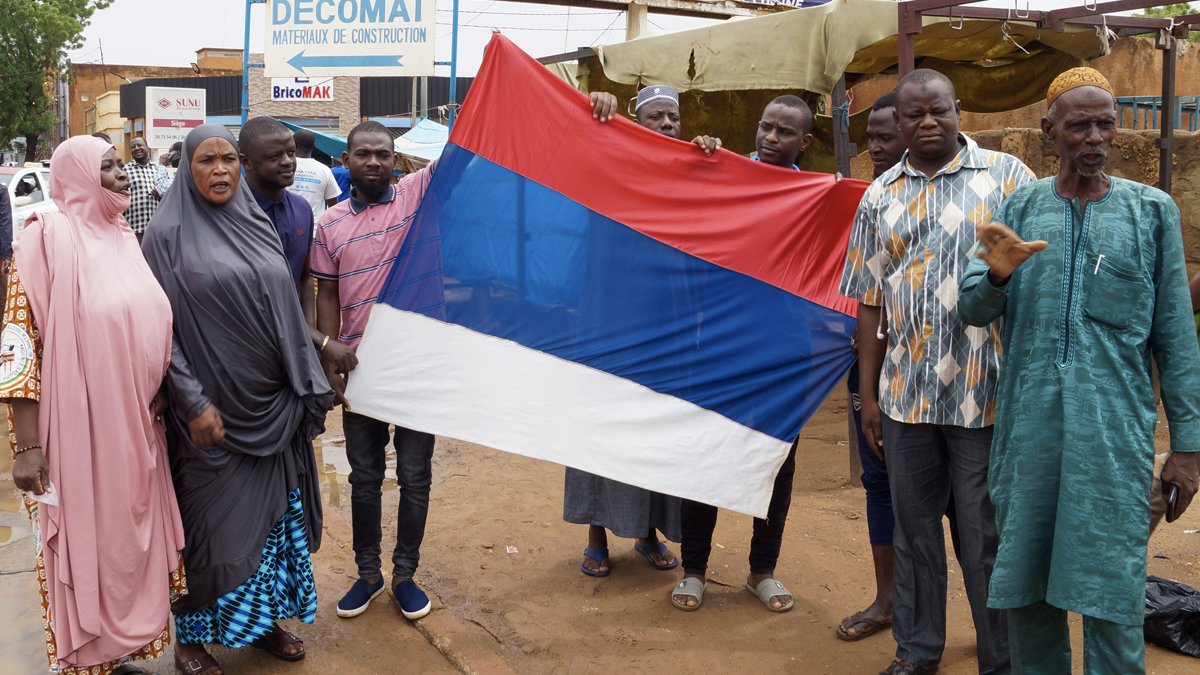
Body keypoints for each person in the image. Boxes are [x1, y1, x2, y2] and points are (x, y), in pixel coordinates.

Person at [959, 67, 1200, 675]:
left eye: (1105, 124)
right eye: (1079, 125)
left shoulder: (1151, 212)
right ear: (1049, 132)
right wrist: (998, 273)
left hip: (1113, 440)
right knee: (1028, 587)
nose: (1095, 137)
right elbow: (970, 306)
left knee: (1112, 592)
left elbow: (1175, 335)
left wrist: (1188, 448)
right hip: (1028, 435)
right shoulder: (1020, 205)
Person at [840, 69, 1035, 675]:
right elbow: (870, 301)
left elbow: (1034, 277)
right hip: (905, 396)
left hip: (987, 394)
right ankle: (918, 650)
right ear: (897, 124)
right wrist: (868, 394)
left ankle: (1000, 659)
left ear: (959, 111)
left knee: (984, 538)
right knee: (915, 530)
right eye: (914, 115)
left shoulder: (1008, 177)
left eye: (939, 112)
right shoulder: (879, 196)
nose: (929, 123)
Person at [142, 125, 334, 675]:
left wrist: (307, 369)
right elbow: (162, 333)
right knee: (210, 528)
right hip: (210, 416)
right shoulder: (165, 235)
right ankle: (192, 639)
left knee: (274, 521)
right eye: (207, 160)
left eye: (229, 159)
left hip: (273, 405)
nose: (221, 170)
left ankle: (265, 621)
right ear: (187, 168)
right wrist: (192, 400)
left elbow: (285, 303)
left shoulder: (255, 222)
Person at [2, 135, 185, 674]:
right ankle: (84, 659)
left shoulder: (125, 236)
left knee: (125, 548)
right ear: (79, 177)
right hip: (74, 435)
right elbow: (16, 344)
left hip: (136, 428)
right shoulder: (45, 240)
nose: (121, 174)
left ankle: (116, 653)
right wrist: (29, 445)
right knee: (84, 544)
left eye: (120, 165)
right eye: (106, 168)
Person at [565, 86, 721, 581]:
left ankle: (647, 532)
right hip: (606, 321)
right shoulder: (611, 163)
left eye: (674, 117)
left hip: (668, 327)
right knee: (601, 425)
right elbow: (574, 154)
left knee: (657, 428)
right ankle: (595, 535)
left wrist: (711, 157)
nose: (669, 126)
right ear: (637, 123)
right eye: (657, 117)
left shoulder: (687, 171)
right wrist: (594, 112)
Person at [669, 95, 813, 615]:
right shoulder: (724, 174)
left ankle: (762, 571)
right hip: (720, 346)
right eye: (766, 127)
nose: (771, 138)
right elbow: (678, 200)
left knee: (777, 463)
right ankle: (694, 569)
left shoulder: (816, 196)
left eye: (784, 132)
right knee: (704, 456)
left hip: (786, 355)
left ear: (805, 143)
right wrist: (700, 159)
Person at [311, 120, 439, 621]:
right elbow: (328, 294)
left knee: (415, 476)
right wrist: (332, 354)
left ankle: (405, 574)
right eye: (362, 154)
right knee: (364, 479)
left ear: (395, 160)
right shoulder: (330, 225)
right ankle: (368, 574)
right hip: (361, 367)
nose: (373, 162)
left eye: (382, 154)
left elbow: (470, 145)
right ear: (345, 162)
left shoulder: (415, 196)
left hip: (416, 369)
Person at [238, 117, 313, 288]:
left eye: (291, 153)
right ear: (246, 162)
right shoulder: (228, 211)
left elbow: (305, 277)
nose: (288, 161)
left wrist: (307, 316)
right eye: (274, 156)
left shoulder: (302, 208)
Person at [287, 129, 341, 219]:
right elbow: (333, 206)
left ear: (293, 144)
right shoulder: (325, 170)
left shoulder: (284, 167)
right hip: (315, 230)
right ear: (314, 146)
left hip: (286, 227)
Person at [123, 136, 166, 243]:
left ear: (147, 147)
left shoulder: (159, 169)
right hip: (134, 229)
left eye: (139, 145)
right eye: (133, 147)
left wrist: (159, 196)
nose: (136, 148)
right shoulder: (125, 170)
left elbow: (168, 197)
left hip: (157, 229)